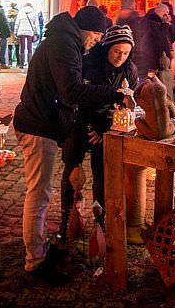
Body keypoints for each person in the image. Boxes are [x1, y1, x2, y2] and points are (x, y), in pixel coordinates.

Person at [13, 5, 131, 285]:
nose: (95, 43)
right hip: (38, 125)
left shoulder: (65, 40)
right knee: (39, 192)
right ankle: (35, 262)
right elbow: (72, 90)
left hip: (43, 123)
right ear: (89, 31)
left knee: (41, 191)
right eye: (95, 37)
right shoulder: (65, 44)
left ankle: (40, 249)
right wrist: (114, 95)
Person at [58, 24, 138, 250]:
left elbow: (128, 106)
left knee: (102, 173)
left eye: (125, 53)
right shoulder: (90, 64)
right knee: (73, 169)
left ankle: (100, 220)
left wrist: (105, 128)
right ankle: (67, 219)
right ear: (106, 48)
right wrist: (91, 127)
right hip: (81, 122)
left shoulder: (130, 71)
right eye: (116, 52)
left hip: (108, 129)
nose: (120, 57)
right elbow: (78, 99)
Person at [129, 2, 173, 80]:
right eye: (166, 13)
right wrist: (165, 24)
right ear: (161, 12)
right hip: (153, 56)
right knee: (152, 77)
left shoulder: (155, 21)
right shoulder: (152, 21)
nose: (167, 16)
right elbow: (161, 37)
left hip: (154, 55)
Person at [14, 3, 39, 68]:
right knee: (29, 48)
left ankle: (21, 64)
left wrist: (15, 32)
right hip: (30, 32)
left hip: (21, 31)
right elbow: (36, 25)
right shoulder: (34, 13)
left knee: (22, 47)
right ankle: (30, 64)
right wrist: (37, 33)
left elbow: (17, 23)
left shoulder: (20, 13)